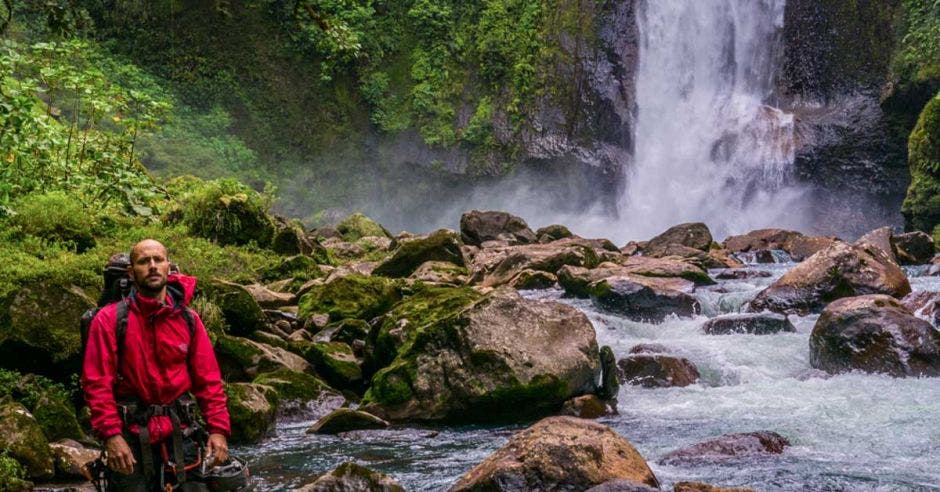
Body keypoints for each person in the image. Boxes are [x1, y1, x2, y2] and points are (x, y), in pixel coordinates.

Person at [82, 239, 231, 491]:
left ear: (169, 267)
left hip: (181, 434)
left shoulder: (188, 319)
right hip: (129, 437)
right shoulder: (109, 320)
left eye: (158, 260)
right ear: (131, 272)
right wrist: (111, 436)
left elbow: (209, 381)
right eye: (143, 261)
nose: (152, 266)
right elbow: (97, 384)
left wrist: (218, 431)